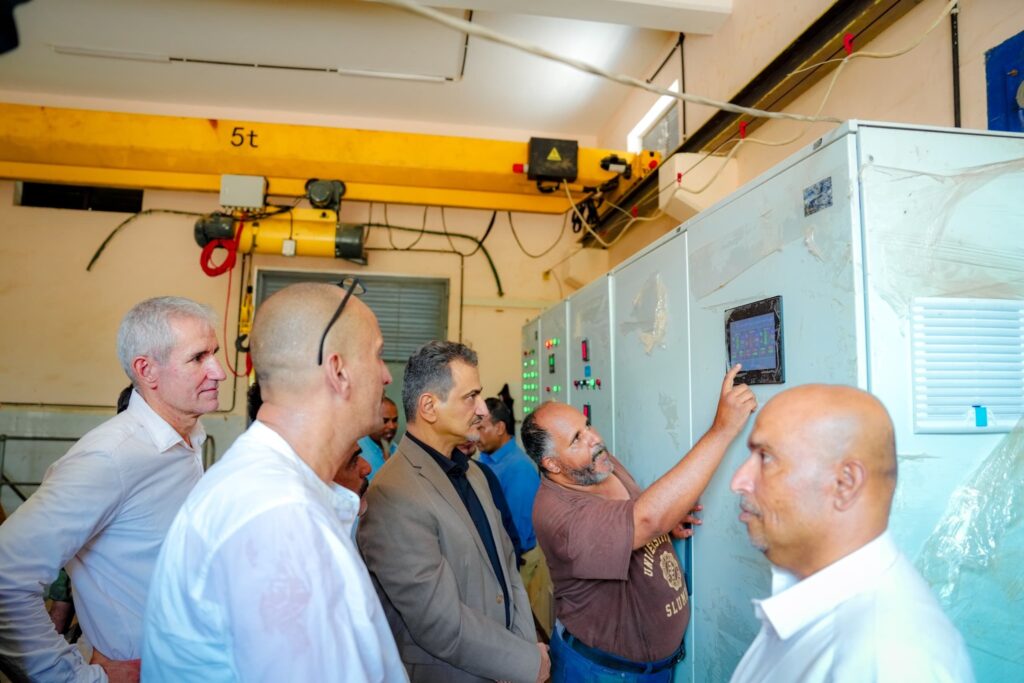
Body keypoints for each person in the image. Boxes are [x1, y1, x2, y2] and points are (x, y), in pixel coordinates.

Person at [141, 281, 405, 682]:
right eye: (377, 355)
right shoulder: (279, 517)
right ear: (338, 371)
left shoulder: (275, 494)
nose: (386, 376)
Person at [0, 296, 226, 682]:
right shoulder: (111, 456)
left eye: (215, 353)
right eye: (198, 358)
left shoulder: (187, 440)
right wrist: (76, 678)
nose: (218, 372)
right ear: (146, 370)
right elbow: (6, 575)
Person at [522, 364, 756, 682]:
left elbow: (636, 513)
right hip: (605, 673)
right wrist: (722, 429)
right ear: (552, 464)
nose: (595, 438)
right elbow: (645, 519)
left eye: (587, 425)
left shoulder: (597, 464)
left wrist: (667, 521)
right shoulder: (558, 515)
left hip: (654, 667)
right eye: (577, 438)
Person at [728, 384, 974, 682]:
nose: (739, 481)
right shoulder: (817, 602)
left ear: (845, 484)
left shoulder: (889, 660)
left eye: (766, 458)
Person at [358, 341, 549, 683]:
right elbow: (439, 623)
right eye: (470, 397)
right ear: (429, 407)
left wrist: (519, 652)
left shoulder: (474, 474)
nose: (482, 410)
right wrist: (523, 661)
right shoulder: (393, 493)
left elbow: (508, 569)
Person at [477, 397, 552, 634]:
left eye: (482, 427)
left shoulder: (518, 468)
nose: (476, 434)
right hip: (500, 560)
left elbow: (515, 534)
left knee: (526, 628)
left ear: (500, 428)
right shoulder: (486, 461)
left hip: (520, 563)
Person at [358, 396, 399, 480]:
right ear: (370, 420)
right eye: (385, 421)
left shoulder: (397, 451)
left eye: (395, 420)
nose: (391, 426)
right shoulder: (358, 452)